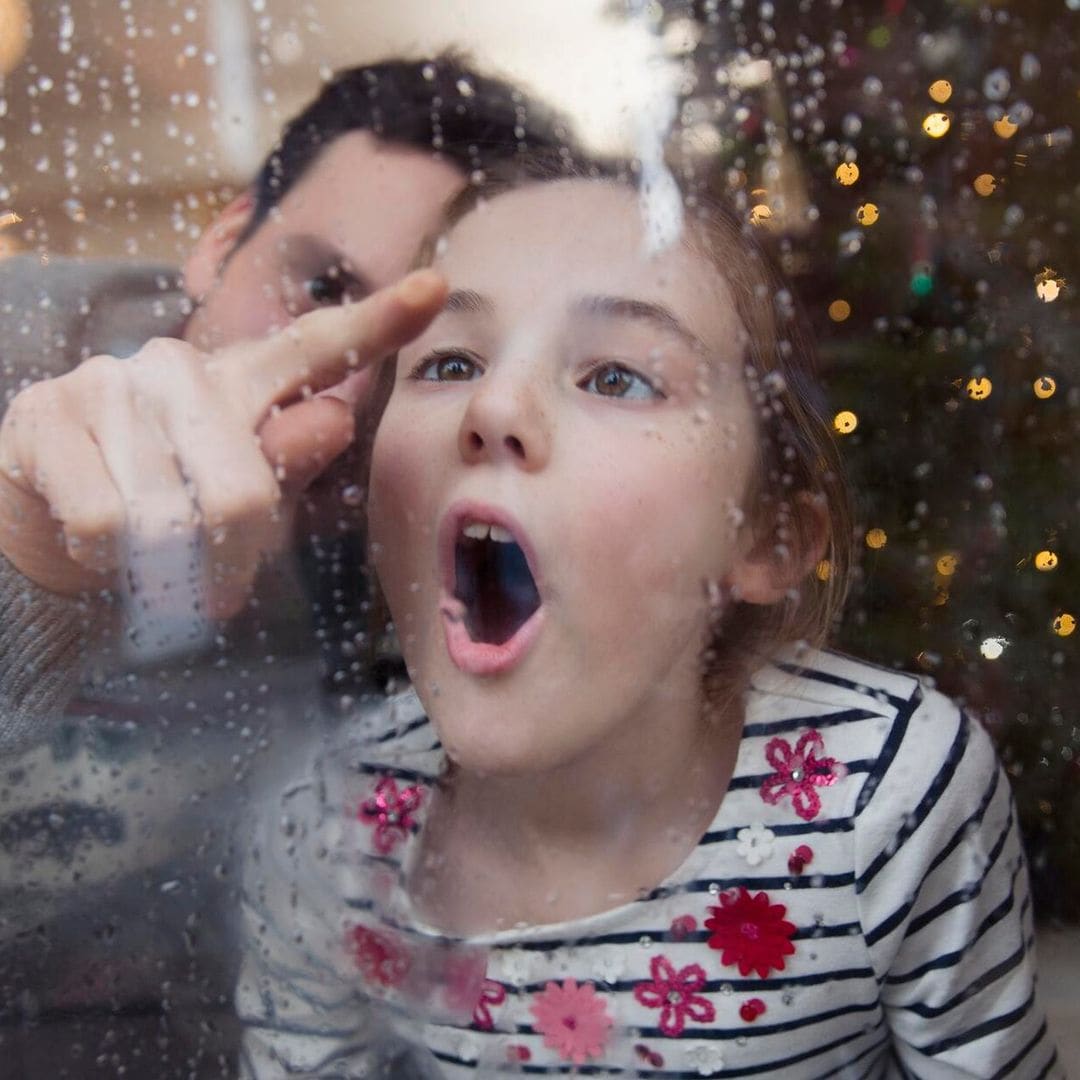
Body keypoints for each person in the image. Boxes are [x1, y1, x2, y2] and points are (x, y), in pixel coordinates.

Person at [235, 165, 1061, 1077]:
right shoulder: (321, 829)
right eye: (451, 361)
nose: (494, 406)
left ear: (766, 538)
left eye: (618, 376)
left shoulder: (887, 795)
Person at [0, 53, 577, 755]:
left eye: (437, 355)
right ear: (218, 242)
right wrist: (29, 559)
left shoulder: (464, 544)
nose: (347, 393)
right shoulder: (18, 343)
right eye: (323, 289)